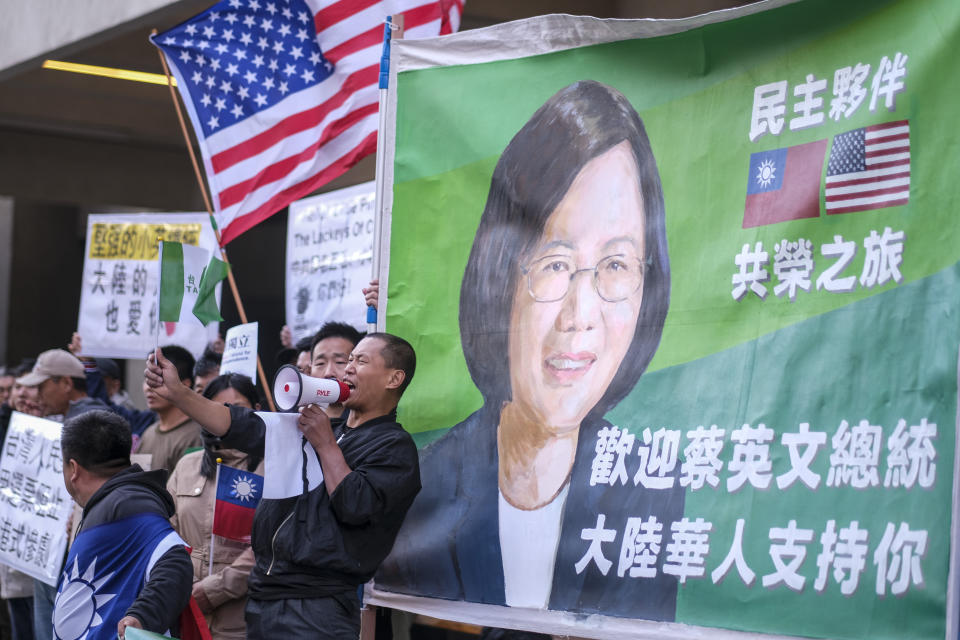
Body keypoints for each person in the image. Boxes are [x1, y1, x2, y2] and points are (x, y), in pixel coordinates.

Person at [376, 80, 684, 619]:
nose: (579, 317)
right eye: (555, 263)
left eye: (616, 265)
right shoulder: (422, 483)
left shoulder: (650, 487)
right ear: (501, 277)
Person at [144, 332, 421, 639]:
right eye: (351, 359)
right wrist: (180, 394)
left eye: (361, 361)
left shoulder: (394, 447)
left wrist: (327, 445)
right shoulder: (324, 430)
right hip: (265, 597)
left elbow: (356, 506)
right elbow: (240, 424)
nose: (348, 369)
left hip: (317, 608)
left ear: (394, 378)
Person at [53, 410, 192, 640]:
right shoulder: (118, 501)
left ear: (73, 469)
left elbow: (176, 560)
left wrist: (141, 617)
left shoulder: (128, 504)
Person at [166, 373, 263, 640]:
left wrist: (213, 591)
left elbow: (269, 547)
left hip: (242, 620)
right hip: (185, 610)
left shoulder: (272, 468)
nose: (228, 418)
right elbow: (166, 533)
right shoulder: (188, 465)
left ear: (258, 411)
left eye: (238, 410)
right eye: (218, 409)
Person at [136, 346, 203, 472]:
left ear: (184, 384)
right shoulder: (148, 433)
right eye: (148, 379)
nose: (149, 387)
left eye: (158, 379)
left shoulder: (196, 437)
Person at [308, 322, 364, 420]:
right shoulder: (301, 420)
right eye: (320, 363)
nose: (328, 373)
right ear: (310, 369)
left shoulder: (370, 423)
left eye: (340, 362)